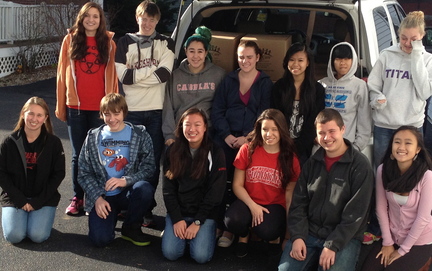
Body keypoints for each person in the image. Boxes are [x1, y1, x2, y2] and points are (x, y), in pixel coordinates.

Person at [278, 108, 374, 271]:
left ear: (343, 129)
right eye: (321, 133)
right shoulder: (311, 163)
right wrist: (298, 236)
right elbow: (298, 204)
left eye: (332, 131)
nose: (327, 138)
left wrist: (332, 245)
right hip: (310, 232)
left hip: (344, 237)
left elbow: (355, 215)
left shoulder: (360, 166)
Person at [115, 0, 175, 226]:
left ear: (157, 20)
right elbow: (124, 77)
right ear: (137, 18)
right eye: (144, 18)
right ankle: (126, 205)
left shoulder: (166, 42)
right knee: (128, 162)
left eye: (152, 19)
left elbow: (165, 73)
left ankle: (146, 209)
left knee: (150, 165)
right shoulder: (124, 42)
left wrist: (136, 74)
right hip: (131, 112)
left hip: (156, 112)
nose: (147, 23)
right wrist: (149, 72)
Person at [56, 2, 118, 216]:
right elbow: (61, 75)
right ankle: (77, 197)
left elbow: (113, 78)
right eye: (87, 16)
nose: (91, 20)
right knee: (78, 155)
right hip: (76, 106)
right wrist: (60, 105)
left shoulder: (108, 43)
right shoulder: (70, 40)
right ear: (81, 19)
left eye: (96, 16)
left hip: (100, 109)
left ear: (101, 21)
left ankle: (97, 197)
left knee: (99, 155)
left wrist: (112, 107)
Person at [211, 40, 272, 247]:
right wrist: (226, 135)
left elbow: (265, 114)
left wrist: (248, 137)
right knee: (219, 179)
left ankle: (232, 228)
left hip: (253, 140)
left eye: (249, 57)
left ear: (258, 58)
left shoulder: (265, 82)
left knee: (244, 181)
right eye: (240, 57)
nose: (244, 61)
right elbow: (217, 110)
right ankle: (218, 223)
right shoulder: (228, 80)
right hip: (226, 138)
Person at [78, 93, 156, 247]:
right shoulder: (93, 137)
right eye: (107, 114)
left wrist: (125, 180)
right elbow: (83, 172)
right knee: (100, 240)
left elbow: (149, 167)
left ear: (124, 112)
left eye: (116, 113)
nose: (112, 119)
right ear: (101, 114)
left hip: (127, 192)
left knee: (145, 189)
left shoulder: (139, 134)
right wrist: (97, 198)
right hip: (104, 195)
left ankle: (130, 227)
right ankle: (110, 218)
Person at [224, 109, 300, 258]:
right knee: (232, 221)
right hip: (248, 201)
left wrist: (287, 235)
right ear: (259, 129)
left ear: (282, 130)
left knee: (267, 230)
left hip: (274, 205)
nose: (268, 134)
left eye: (274, 129)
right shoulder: (248, 149)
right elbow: (237, 185)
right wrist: (253, 206)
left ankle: (268, 236)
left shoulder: (290, 158)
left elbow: (290, 196)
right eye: (265, 129)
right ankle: (243, 236)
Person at [361, 126, 432, 271]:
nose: (401, 147)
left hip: (419, 241)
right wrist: (387, 242)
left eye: (408, 143)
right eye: (397, 142)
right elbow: (381, 208)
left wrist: (403, 250)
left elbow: (423, 217)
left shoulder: (427, 176)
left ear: (418, 149)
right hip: (392, 237)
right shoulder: (383, 170)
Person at [162, 108, 227, 263]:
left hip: (204, 215)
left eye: (197, 125)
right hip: (180, 212)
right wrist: (177, 219)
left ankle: (202, 234)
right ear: (181, 127)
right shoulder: (172, 151)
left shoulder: (216, 152)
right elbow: (168, 190)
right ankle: (175, 230)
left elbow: (216, 192)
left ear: (205, 127)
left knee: (201, 256)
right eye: (187, 125)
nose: (192, 129)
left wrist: (198, 221)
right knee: (171, 253)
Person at [368, 11, 432, 169]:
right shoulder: (386, 55)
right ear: (398, 34)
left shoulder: (427, 60)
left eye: (413, 39)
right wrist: (377, 99)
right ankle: (381, 195)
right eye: (404, 38)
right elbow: (373, 85)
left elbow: (424, 93)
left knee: (410, 170)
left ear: (422, 36)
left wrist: (416, 55)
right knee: (382, 169)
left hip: (411, 125)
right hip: (384, 124)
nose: (408, 43)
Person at [0, 97, 65, 243]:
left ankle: (37, 220)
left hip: (43, 197)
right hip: (16, 197)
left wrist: (38, 201)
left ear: (45, 118)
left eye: (39, 115)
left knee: (37, 236)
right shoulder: (9, 142)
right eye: (30, 114)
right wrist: (19, 199)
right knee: (14, 236)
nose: (34, 119)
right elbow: (1, 173)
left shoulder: (53, 143)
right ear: (23, 114)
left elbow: (58, 174)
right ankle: (24, 219)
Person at [162, 26, 226, 146]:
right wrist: (169, 135)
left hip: (208, 132)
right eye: (191, 51)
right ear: (185, 51)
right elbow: (168, 108)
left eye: (200, 51)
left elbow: (222, 108)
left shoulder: (219, 74)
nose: (196, 56)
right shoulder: (174, 76)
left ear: (206, 52)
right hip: (181, 132)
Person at [271, 42, 325, 166]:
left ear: (308, 62)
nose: (295, 64)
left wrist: (298, 148)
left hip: (304, 149)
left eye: (300, 60)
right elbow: (274, 117)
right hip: (279, 144)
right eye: (291, 60)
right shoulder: (279, 87)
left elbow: (314, 121)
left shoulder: (317, 90)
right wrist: (283, 144)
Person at [319, 42, 371, 151]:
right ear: (332, 61)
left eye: (347, 58)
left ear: (353, 60)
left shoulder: (359, 86)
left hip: (347, 146)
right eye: (338, 59)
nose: (342, 63)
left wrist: (356, 147)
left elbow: (364, 120)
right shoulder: (321, 84)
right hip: (322, 145)